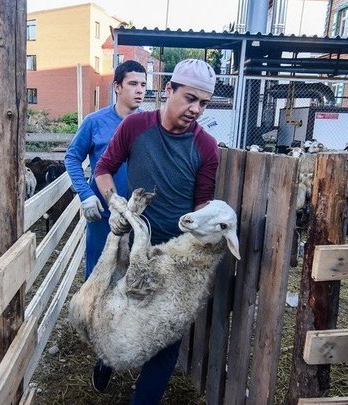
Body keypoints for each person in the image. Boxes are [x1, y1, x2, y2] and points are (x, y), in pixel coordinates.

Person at [93, 59, 220, 404]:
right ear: (169, 91)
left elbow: (200, 206)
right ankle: (106, 358)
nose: (196, 109)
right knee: (119, 311)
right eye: (190, 98)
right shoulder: (136, 127)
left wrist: (206, 233)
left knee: (168, 331)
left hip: (176, 257)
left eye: (203, 103)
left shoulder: (206, 148)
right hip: (134, 244)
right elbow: (103, 169)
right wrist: (115, 205)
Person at [65, 59, 147, 393]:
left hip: (140, 217)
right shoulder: (96, 122)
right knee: (101, 281)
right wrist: (86, 195)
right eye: (133, 84)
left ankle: (133, 346)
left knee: (135, 281)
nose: (140, 90)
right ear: (117, 87)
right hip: (104, 218)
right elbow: (72, 157)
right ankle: (103, 354)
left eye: (144, 85)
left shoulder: (149, 124)